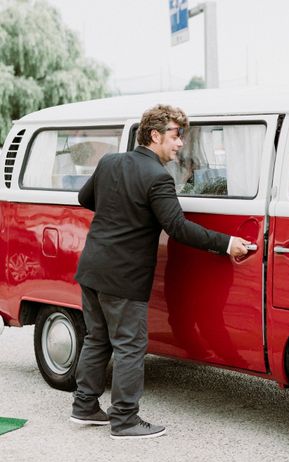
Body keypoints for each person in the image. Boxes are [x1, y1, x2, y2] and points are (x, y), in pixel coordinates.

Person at [69, 104, 250, 440]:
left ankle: (84, 407)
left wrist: (121, 213)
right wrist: (226, 243)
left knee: (97, 339)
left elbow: (84, 198)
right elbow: (178, 228)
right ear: (154, 135)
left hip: (93, 268)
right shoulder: (157, 177)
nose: (180, 143)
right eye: (175, 135)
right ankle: (124, 420)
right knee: (129, 346)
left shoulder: (110, 162)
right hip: (124, 277)